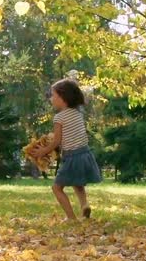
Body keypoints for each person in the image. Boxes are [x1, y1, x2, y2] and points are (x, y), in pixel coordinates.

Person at [32, 79, 102, 222]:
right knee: (78, 183)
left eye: (53, 95)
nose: (51, 98)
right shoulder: (77, 114)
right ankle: (84, 205)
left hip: (72, 157)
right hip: (85, 154)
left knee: (57, 188)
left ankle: (71, 218)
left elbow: (57, 141)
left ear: (62, 98)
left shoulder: (59, 117)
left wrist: (43, 151)